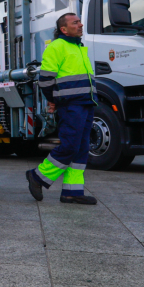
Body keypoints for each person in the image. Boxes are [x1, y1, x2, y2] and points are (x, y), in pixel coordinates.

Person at [26, 13, 98, 205]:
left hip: (85, 103)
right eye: (75, 22)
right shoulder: (57, 46)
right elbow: (45, 80)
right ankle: (38, 176)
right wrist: (55, 100)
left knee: (82, 148)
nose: (81, 24)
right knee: (70, 146)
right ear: (64, 29)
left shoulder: (79, 47)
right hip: (71, 105)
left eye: (80, 21)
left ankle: (72, 192)